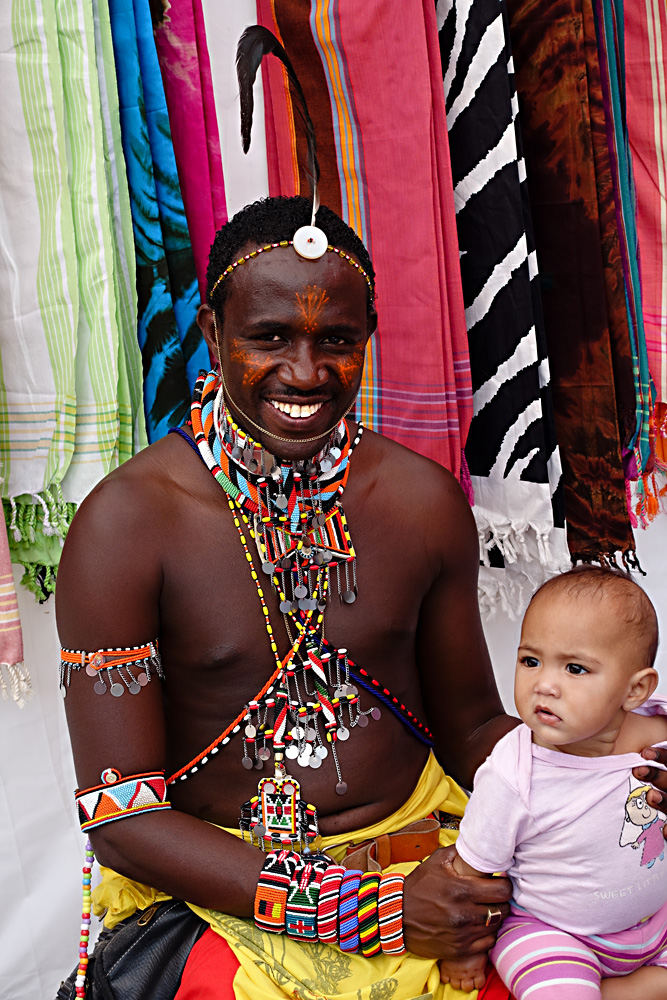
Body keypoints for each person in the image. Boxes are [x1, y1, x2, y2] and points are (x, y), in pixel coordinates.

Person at [56, 193, 520, 1000]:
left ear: (367, 339)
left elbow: (473, 726)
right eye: (269, 337)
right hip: (226, 904)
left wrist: (601, 762)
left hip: (429, 870)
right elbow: (120, 817)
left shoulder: (420, 502)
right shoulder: (126, 524)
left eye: (335, 341)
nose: (305, 373)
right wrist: (366, 909)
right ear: (211, 334)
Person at [438, 567, 667, 1000]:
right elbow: (469, 871)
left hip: (656, 918)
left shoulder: (659, 739)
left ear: (635, 690)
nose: (544, 684)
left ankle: (634, 987)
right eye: (530, 661)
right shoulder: (513, 772)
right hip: (552, 932)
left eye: (575, 668)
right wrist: (463, 950)